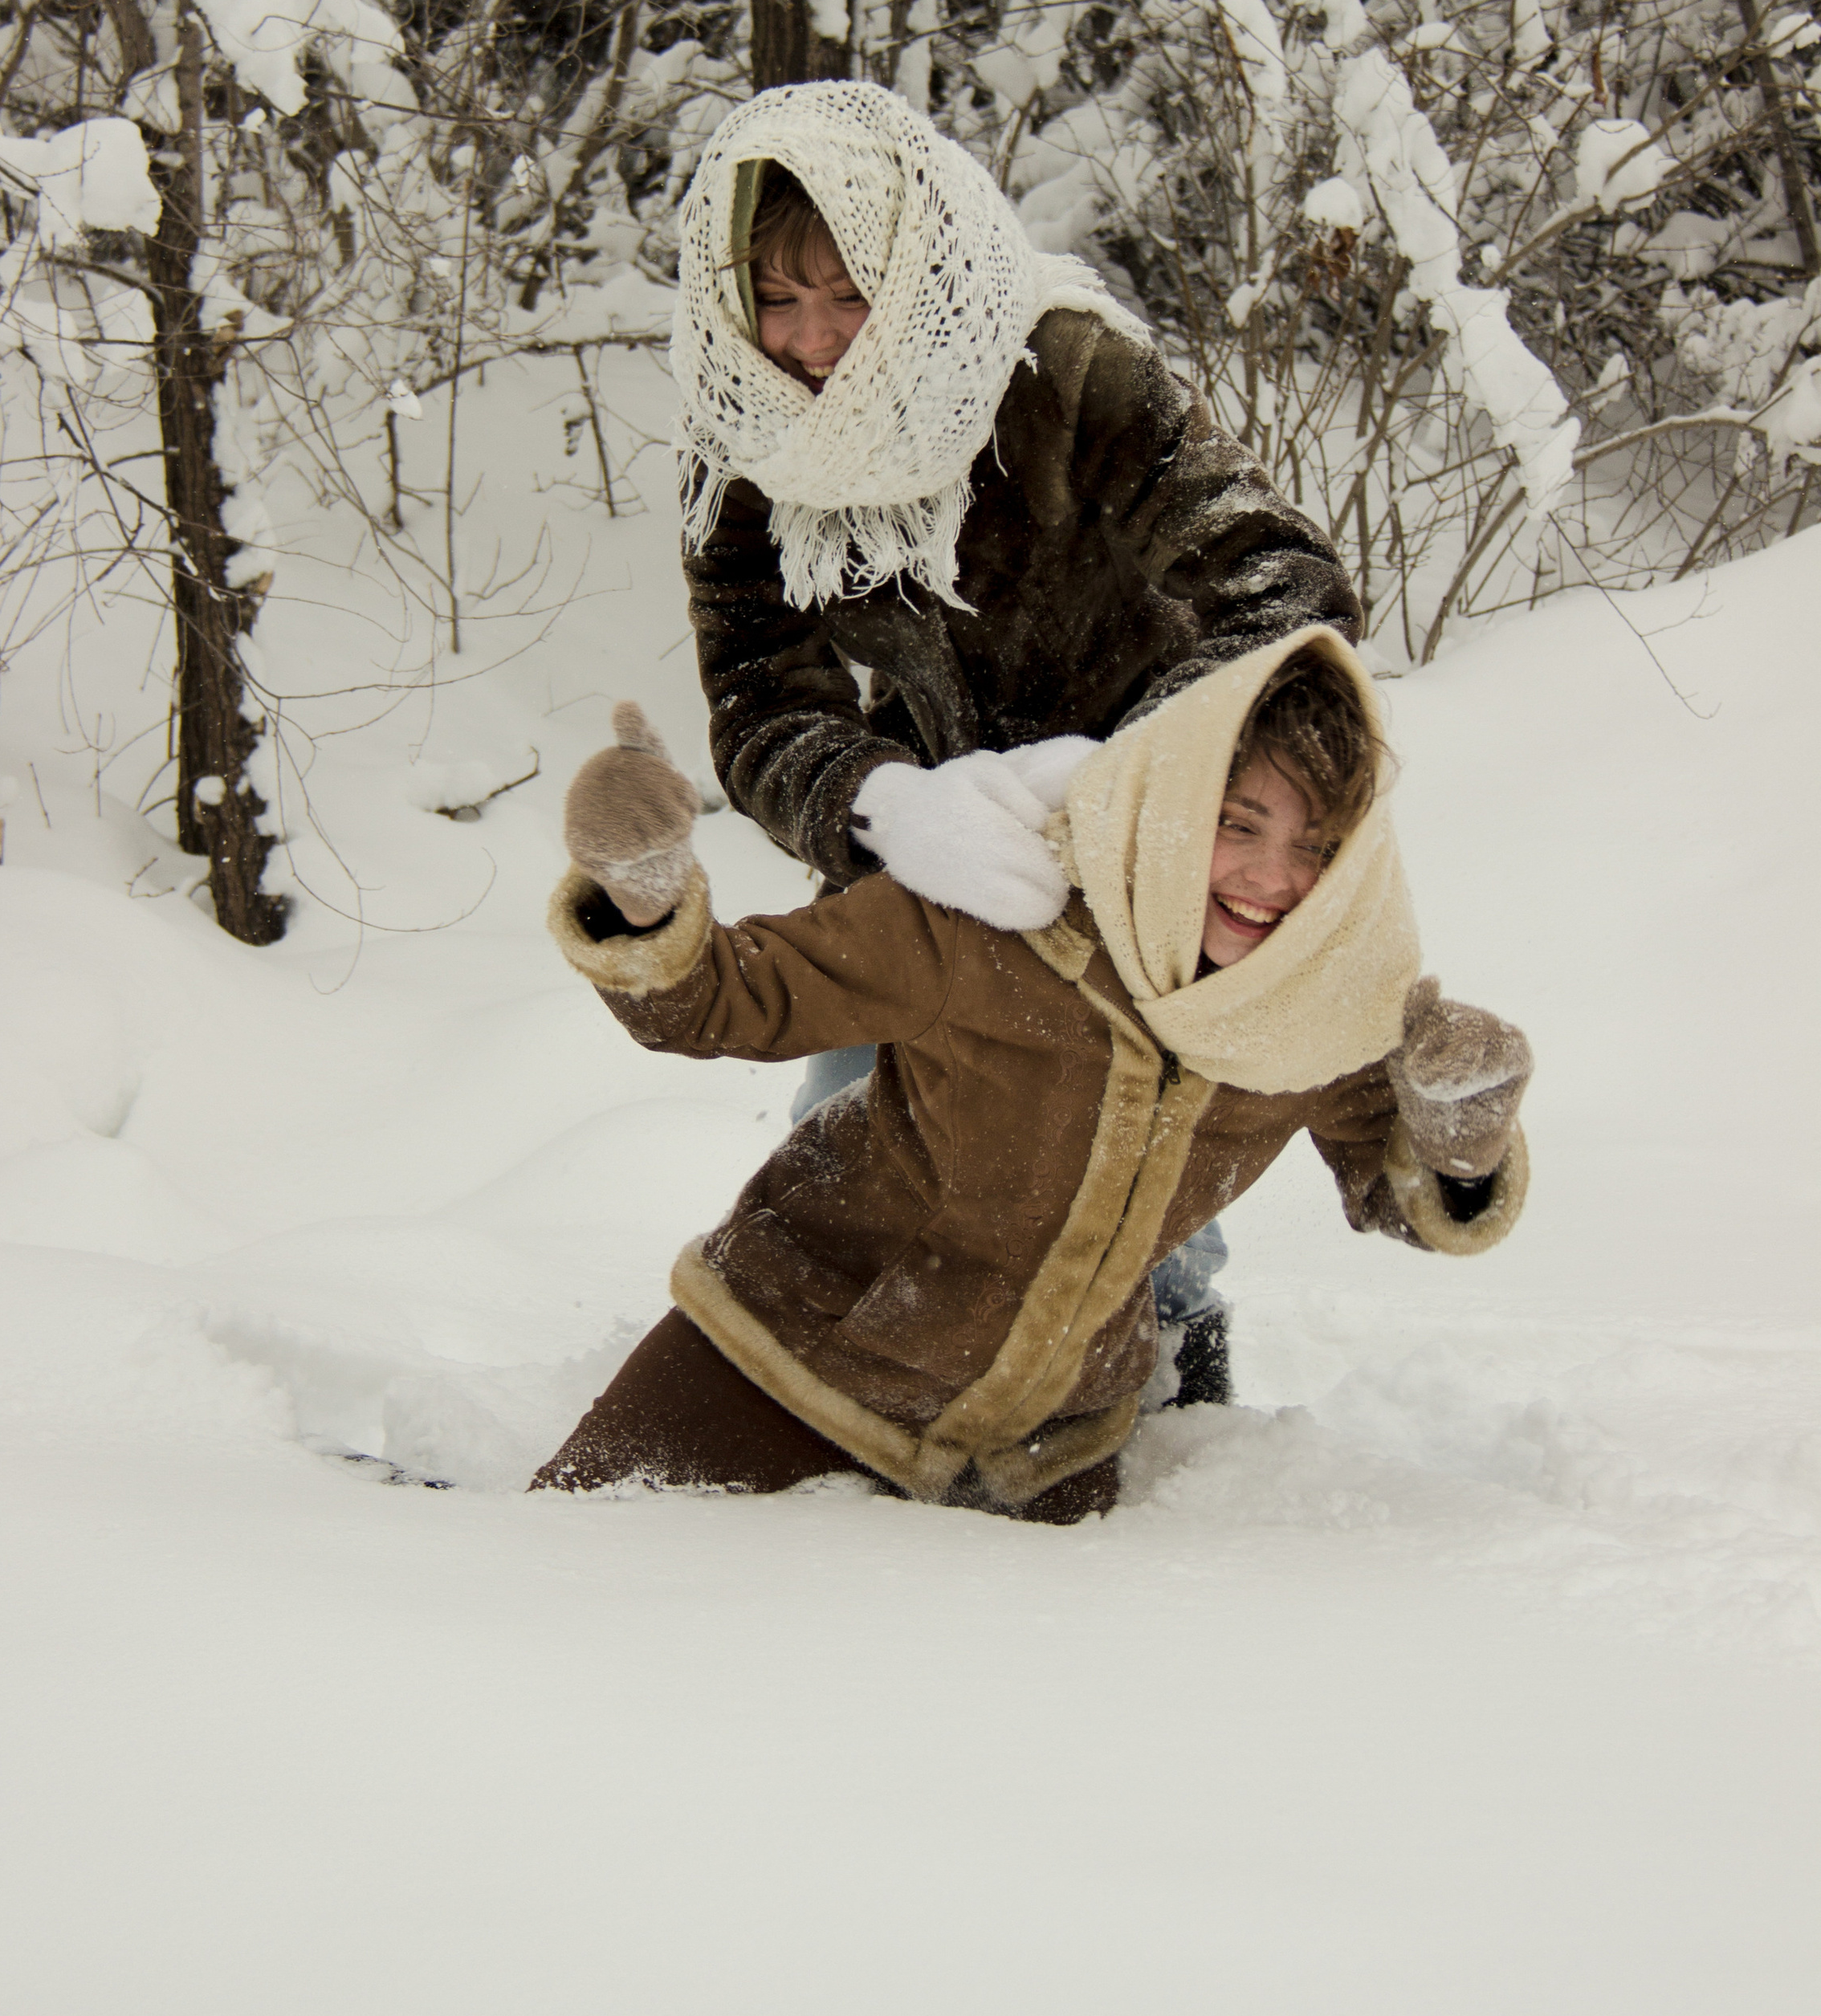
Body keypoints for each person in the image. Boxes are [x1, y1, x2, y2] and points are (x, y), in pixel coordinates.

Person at [670, 81, 1364, 1408]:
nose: (809, 339)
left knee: (1121, 1154)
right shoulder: (742, 433)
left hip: (1163, 831)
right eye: (775, 296)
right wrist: (878, 806)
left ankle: (1164, 1384)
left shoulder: (1058, 365)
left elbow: (1290, 587)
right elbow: (760, 693)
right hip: (940, 824)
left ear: (916, 263)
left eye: (848, 292)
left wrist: (1129, 788)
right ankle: (845, 1410)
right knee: (857, 1125)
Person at [528, 632, 1531, 1520]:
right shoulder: (999, 913)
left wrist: (1462, 1138)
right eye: (1238, 823)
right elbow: (726, 999)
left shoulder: (1316, 1004)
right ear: (1176, 799)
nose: (1274, 879)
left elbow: (1404, 1196)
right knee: (567, 1590)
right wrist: (642, 896)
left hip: (1045, 1453)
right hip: (786, 1365)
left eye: (1317, 845)